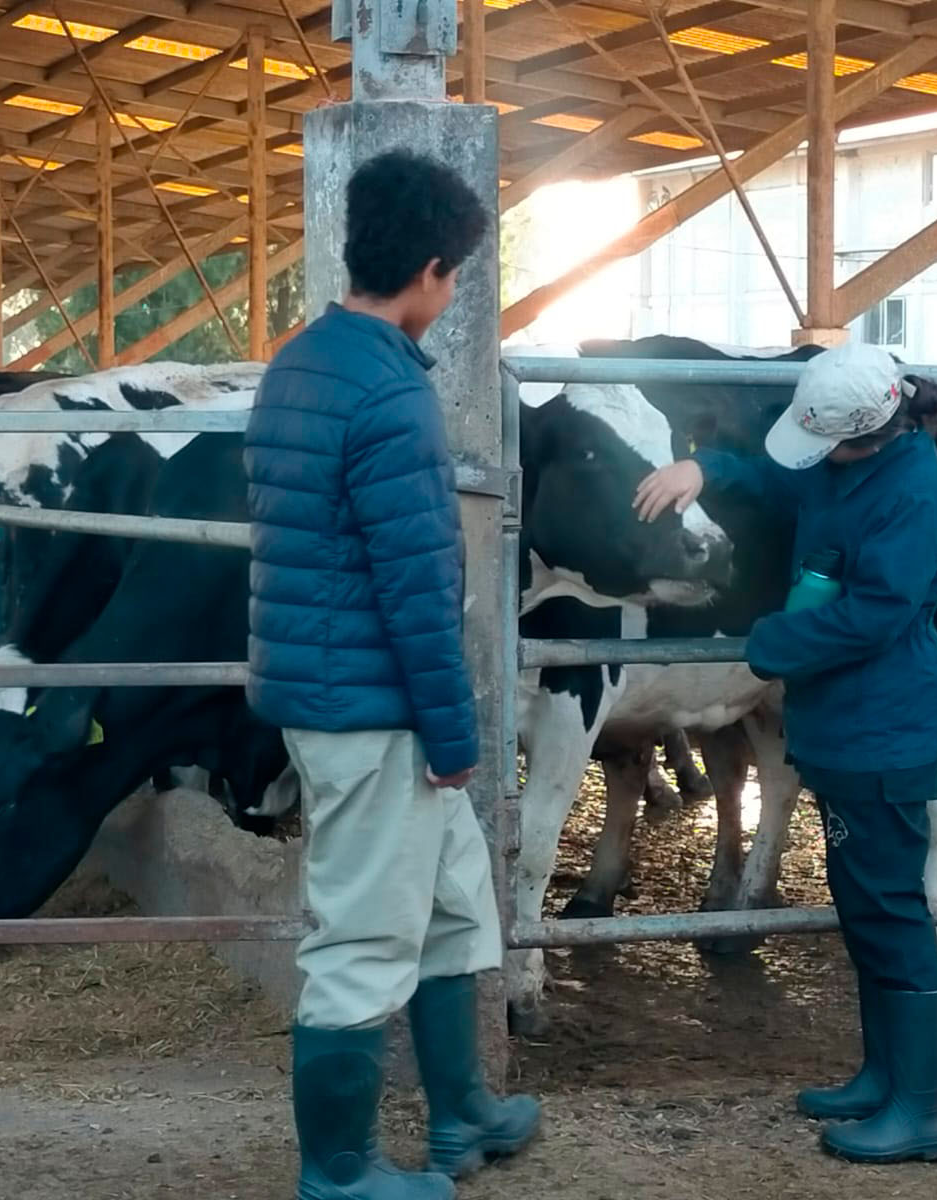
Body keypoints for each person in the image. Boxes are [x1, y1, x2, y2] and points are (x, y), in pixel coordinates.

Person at [244, 148, 541, 1200]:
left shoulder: (300, 363)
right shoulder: (389, 394)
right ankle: (337, 1172)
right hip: (375, 711)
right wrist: (454, 738)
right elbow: (416, 588)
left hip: (340, 689)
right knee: (364, 938)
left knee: (454, 904)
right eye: (453, 275)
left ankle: (463, 1115)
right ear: (428, 272)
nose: (450, 293)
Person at [633, 341, 937, 1164]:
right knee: (862, 905)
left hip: (880, 722)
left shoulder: (912, 494)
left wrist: (772, 643)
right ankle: (884, 1075)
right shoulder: (851, 467)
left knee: (892, 911)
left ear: (863, 435)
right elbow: (777, 479)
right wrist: (705, 469)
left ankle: (926, 1109)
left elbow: (878, 613)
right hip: (843, 722)